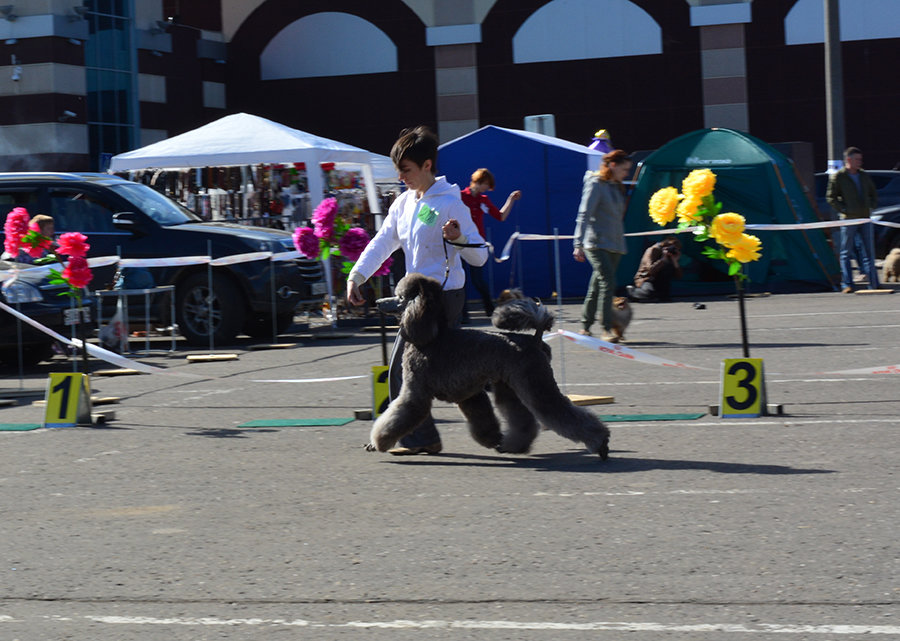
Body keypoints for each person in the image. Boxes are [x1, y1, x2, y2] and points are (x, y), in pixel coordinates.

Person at [347, 125, 488, 455]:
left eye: (406, 170)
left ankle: (421, 438)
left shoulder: (453, 205)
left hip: (443, 299)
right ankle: (493, 431)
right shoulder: (403, 203)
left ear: (427, 165)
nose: (401, 177)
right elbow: (384, 241)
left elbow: (480, 256)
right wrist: (357, 275)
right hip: (416, 300)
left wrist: (458, 239)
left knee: (402, 369)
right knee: (452, 374)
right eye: (399, 170)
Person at [572, 149, 632, 342]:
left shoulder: (616, 186)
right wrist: (578, 243)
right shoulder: (595, 184)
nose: (626, 174)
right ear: (613, 165)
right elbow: (584, 214)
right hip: (595, 243)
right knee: (608, 282)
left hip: (615, 244)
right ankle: (607, 328)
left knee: (597, 284)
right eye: (624, 169)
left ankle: (585, 325)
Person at [459, 168, 521, 316]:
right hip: (459, 242)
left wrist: (511, 199)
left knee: (478, 280)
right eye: (486, 184)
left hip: (476, 243)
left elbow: (501, 216)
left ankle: (490, 310)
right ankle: (463, 315)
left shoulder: (483, 200)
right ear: (478, 181)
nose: (487, 188)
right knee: (461, 281)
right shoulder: (460, 196)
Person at [827, 146, 879, 293]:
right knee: (846, 252)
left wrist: (872, 206)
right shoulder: (839, 176)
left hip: (864, 218)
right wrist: (844, 210)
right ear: (848, 160)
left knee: (869, 252)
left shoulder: (863, 175)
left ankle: (874, 283)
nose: (860, 162)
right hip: (849, 219)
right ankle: (847, 284)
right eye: (857, 159)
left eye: (860, 159)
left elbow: (873, 193)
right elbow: (831, 197)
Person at [627, 236, 682, 302]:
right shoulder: (652, 250)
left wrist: (675, 261)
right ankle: (632, 291)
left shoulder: (671, 255)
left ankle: (658, 294)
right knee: (648, 294)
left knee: (664, 298)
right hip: (646, 278)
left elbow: (679, 276)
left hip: (660, 280)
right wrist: (663, 260)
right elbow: (650, 270)